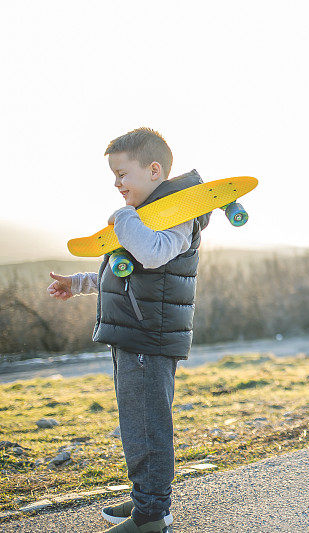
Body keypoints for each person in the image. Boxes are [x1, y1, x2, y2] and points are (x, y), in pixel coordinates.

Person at [47, 127, 210, 533]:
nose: (117, 184)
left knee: (147, 424)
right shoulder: (147, 217)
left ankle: (151, 516)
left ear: (154, 170)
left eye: (122, 174)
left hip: (148, 338)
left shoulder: (178, 215)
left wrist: (122, 219)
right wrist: (79, 283)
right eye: (114, 177)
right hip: (134, 335)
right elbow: (124, 270)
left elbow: (152, 257)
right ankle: (146, 498)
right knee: (136, 422)